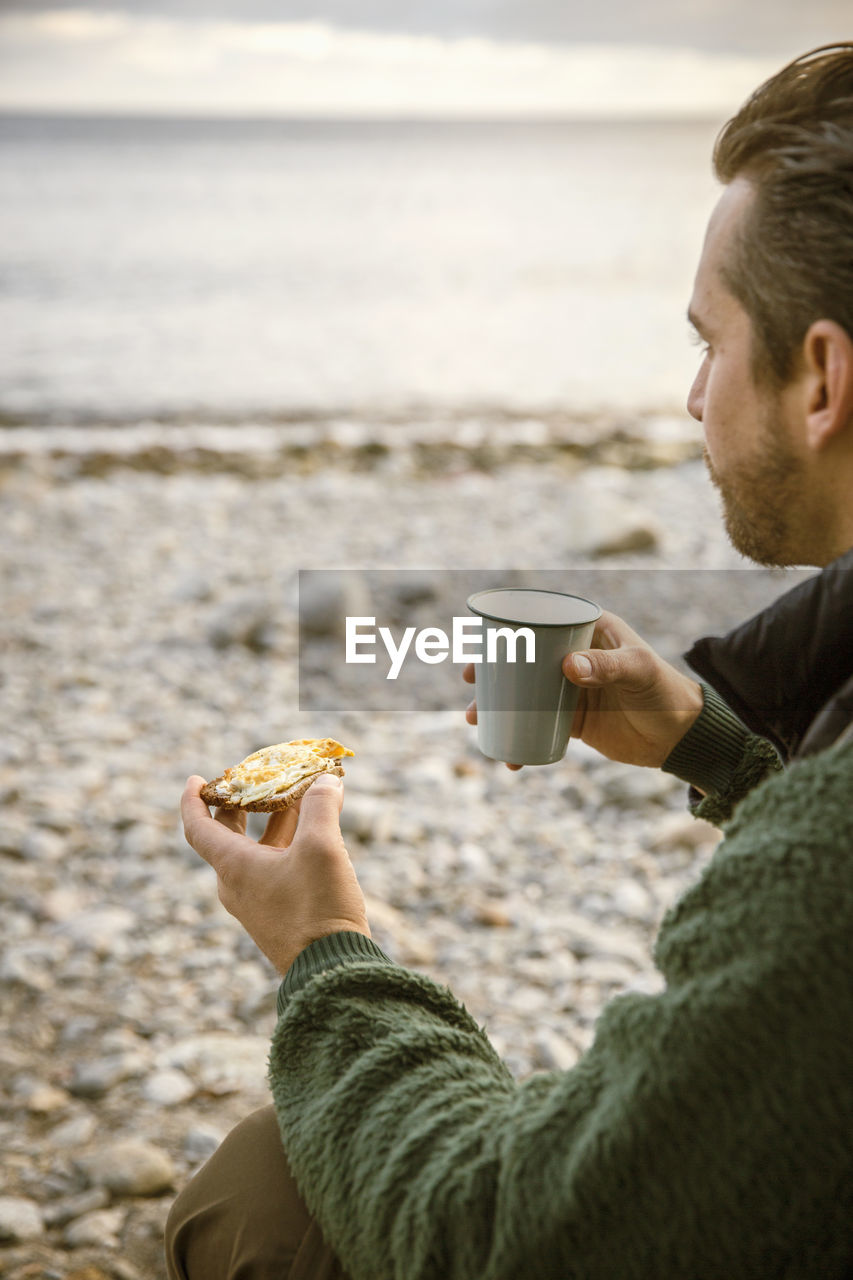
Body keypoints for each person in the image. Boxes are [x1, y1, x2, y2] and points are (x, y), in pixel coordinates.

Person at [166, 43, 853, 1280]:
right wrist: (706, 740)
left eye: (710, 342)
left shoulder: (828, 865)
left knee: (257, 1187)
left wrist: (323, 949)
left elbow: (511, 1238)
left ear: (822, 379)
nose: (693, 397)